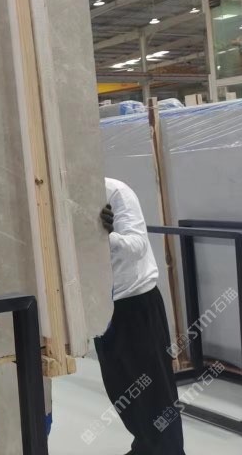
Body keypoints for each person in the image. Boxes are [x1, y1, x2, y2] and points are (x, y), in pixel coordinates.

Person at [97, 177, 185, 455]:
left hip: (136, 303)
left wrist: (103, 235)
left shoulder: (116, 191)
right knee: (121, 390)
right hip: (101, 307)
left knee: (155, 394)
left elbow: (137, 246)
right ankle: (145, 447)